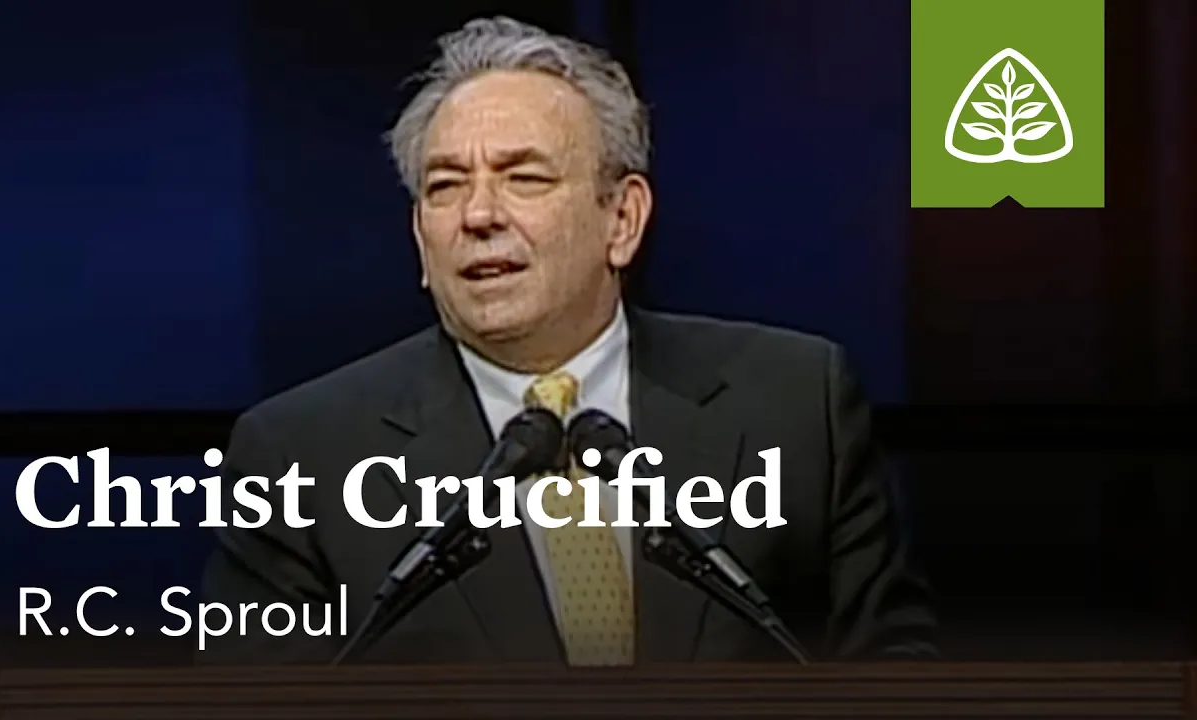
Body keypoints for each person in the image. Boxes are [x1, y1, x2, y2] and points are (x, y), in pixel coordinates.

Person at [197, 15, 937, 666]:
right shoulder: (300, 455)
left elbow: (893, 667)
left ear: (622, 219)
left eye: (524, 178)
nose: (478, 215)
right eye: (445, 186)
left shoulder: (797, 402)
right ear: (420, 238)